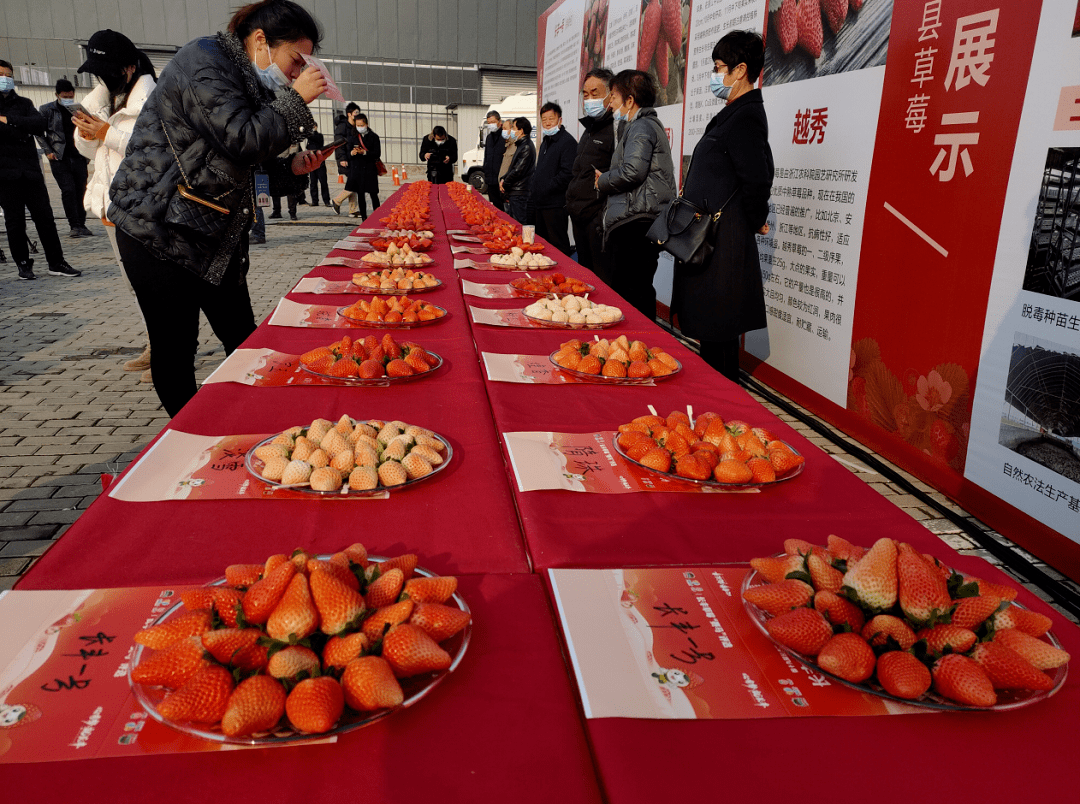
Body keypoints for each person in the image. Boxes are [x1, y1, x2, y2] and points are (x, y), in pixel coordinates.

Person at [109, 0, 328, 417]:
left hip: (210, 233)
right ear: (261, 40)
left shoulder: (252, 82)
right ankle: (194, 442)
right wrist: (295, 103)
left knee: (242, 339)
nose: (297, 72)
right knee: (175, 349)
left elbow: (243, 161)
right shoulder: (204, 61)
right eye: (295, 60)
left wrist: (292, 168)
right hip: (157, 230)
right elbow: (241, 138)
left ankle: (254, 421)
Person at [671, 31, 772, 383]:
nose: (715, 76)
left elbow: (757, 178)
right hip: (711, 237)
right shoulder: (733, 113)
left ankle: (723, 405)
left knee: (719, 328)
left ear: (740, 70)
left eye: (719, 68)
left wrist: (754, 218)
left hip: (723, 240)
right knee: (712, 330)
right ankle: (714, 399)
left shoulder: (745, 117)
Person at [73, 28, 158, 381]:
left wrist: (107, 133)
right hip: (111, 202)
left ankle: (169, 350)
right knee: (133, 281)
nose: (100, 79)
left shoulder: (152, 99)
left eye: (106, 71)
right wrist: (86, 134)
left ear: (128, 68)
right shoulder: (103, 98)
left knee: (154, 280)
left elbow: (153, 151)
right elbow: (88, 153)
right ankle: (157, 343)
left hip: (145, 205)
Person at [595, 70, 675, 321]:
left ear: (630, 101)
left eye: (615, 97)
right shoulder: (641, 125)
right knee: (635, 289)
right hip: (637, 217)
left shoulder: (640, 126)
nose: (611, 103)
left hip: (636, 221)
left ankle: (641, 348)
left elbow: (632, 172)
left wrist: (602, 180)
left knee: (633, 292)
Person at [0, 60, 81, 280]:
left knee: (45, 219)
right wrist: (20, 126)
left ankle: (56, 262)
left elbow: (38, 124)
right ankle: (23, 264)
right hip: (6, 175)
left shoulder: (24, 102)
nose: (5, 78)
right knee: (14, 221)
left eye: (8, 74)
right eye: (1, 74)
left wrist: (8, 121)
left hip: (31, 172)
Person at [567, 68, 616, 284]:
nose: (589, 100)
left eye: (595, 94)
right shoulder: (589, 129)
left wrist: (600, 216)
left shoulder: (617, 128)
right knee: (584, 279)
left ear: (611, 95)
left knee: (602, 282)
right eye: (585, 95)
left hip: (598, 221)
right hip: (579, 216)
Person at [37, 79, 93, 238]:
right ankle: (74, 225)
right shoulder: (47, 110)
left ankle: (82, 224)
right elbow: (38, 132)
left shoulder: (78, 109)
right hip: (59, 157)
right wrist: (48, 150)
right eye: (65, 96)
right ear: (57, 95)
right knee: (68, 190)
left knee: (80, 191)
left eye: (71, 96)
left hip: (79, 156)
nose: (68, 98)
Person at [530, 102, 576, 256]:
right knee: (542, 246)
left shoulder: (567, 142)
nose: (548, 123)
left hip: (556, 205)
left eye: (551, 118)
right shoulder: (545, 142)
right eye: (544, 120)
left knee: (558, 245)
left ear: (560, 120)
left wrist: (545, 188)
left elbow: (567, 174)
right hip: (540, 203)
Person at [345, 113, 381, 220]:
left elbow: (377, 154)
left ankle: (377, 217)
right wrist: (352, 153)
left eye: (361, 125)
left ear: (366, 124)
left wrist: (364, 152)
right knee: (360, 195)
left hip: (370, 170)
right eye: (358, 125)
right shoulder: (352, 137)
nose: (360, 128)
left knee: (373, 194)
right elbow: (347, 154)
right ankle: (364, 219)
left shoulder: (374, 137)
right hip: (357, 171)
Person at [500, 117, 535, 224]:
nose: (512, 131)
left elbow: (518, 171)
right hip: (515, 191)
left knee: (518, 224)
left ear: (521, 130)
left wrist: (504, 183)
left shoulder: (526, 147)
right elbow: (512, 167)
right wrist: (503, 178)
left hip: (519, 192)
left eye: (514, 128)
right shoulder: (520, 145)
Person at [330, 103, 360, 215]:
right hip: (345, 159)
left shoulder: (355, 127)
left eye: (358, 112)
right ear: (349, 114)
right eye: (355, 113)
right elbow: (338, 144)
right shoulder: (342, 126)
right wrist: (342, 158)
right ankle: (337, 200)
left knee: (353, 182)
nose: (357, 115)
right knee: (355, 182)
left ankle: (353, 210)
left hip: (353, 158)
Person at [481, 110, 505, 209]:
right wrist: (485, 170)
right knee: (493, 205)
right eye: (489, 123)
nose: (491, 125)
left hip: (501, 179)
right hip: (490, 179)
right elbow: (486, 156)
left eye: (493, 122)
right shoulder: (489, 137)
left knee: (502, 206)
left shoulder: (505, 136)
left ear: (499, 122)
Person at [304, 121, 330, 206]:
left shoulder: (319, 136)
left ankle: (326, 201)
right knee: (313, 183)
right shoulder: (309, 139)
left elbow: (313, 137)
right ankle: (315, 201)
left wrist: (309, 132)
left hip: (320, 162)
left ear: (316, 127)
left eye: (313, 126)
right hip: (312, 163)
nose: (312, 128)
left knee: (323, 182)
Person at [496, 119, 516, 210]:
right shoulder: (508, 145)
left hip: (510, 190)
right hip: (504, 189)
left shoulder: (516, 146)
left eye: (505, 128)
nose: (503, 131)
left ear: (512, 129)